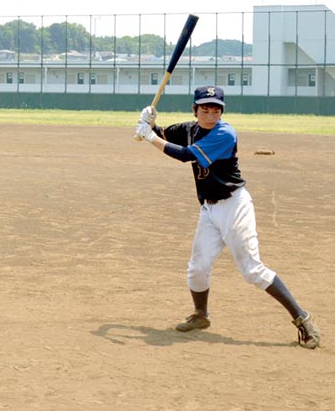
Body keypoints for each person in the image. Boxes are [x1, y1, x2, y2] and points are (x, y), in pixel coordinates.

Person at [135, 86, 321, 348]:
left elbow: (185, 155)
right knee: (197, 268)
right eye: (205, 109)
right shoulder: (190, 129)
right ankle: (201, 315)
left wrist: (149, 137)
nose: (210, 114)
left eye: (216, 109)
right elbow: (163, 135)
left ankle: (303, 319)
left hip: (234, 206)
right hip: (210, 209)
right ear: (195, 110)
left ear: (222, 111)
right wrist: (149, 123)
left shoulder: (224, 133)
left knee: (252, 271)